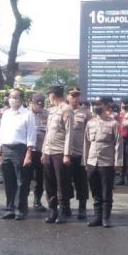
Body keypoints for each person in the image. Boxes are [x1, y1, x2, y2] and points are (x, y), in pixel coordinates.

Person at [0, 88, 36, 220]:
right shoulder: (5, 113)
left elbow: (31, 135)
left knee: (21, 181)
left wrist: (29, 154)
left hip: (20, 149)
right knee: (8, 181)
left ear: (21, 99)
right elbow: (1, 133)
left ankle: (21, 209)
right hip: (6, 148)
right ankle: (10, 208)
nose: (12, 99)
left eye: (15, 97)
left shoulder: (27, 114)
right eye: (10, 97)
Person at [83, 96, 122, 227]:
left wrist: (118, 162)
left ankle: (106, 218)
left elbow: (118, 144)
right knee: (95, 191)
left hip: (107, 162)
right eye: (95, 104)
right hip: (92, 161)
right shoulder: (90, 123)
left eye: (99, 104)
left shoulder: (113, 123)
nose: (97, 106)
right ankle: (97, 217)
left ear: (106, 106)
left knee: (106, 191)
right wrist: (85, 161)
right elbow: (86, 143)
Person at [42, 85, 74, 224]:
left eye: (49, 95)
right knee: (49, 182)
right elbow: (48, 132)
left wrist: (67, 154)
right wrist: (44, 151)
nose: (49, 97)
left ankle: (63, 210)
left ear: (53, 95)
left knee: (62, 182)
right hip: (49, 151)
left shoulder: (66, 109)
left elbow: (69, 133)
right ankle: (52, 209)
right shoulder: (52, 110)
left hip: (60, 151)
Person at [64, 87, 90, 219]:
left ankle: (82, 208)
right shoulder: (62, 111)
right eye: (72, 96)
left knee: (82, 182)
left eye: (77, 96)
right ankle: (66, 206)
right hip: (66, 153)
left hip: (80, 153)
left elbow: (89, 134)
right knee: (66, 181)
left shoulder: (85, 113)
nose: (75, 98)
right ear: (67, 97)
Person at [30, 93, 48, 211]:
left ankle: (37, 201)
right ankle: (21, 201)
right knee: (25, 177)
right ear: (31, 103)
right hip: (28, 151)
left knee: (39, 178)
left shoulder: (47, 115)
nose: (39, 107)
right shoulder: (25, 114)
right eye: (37, 104)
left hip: (41, 150)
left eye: (41, 104)